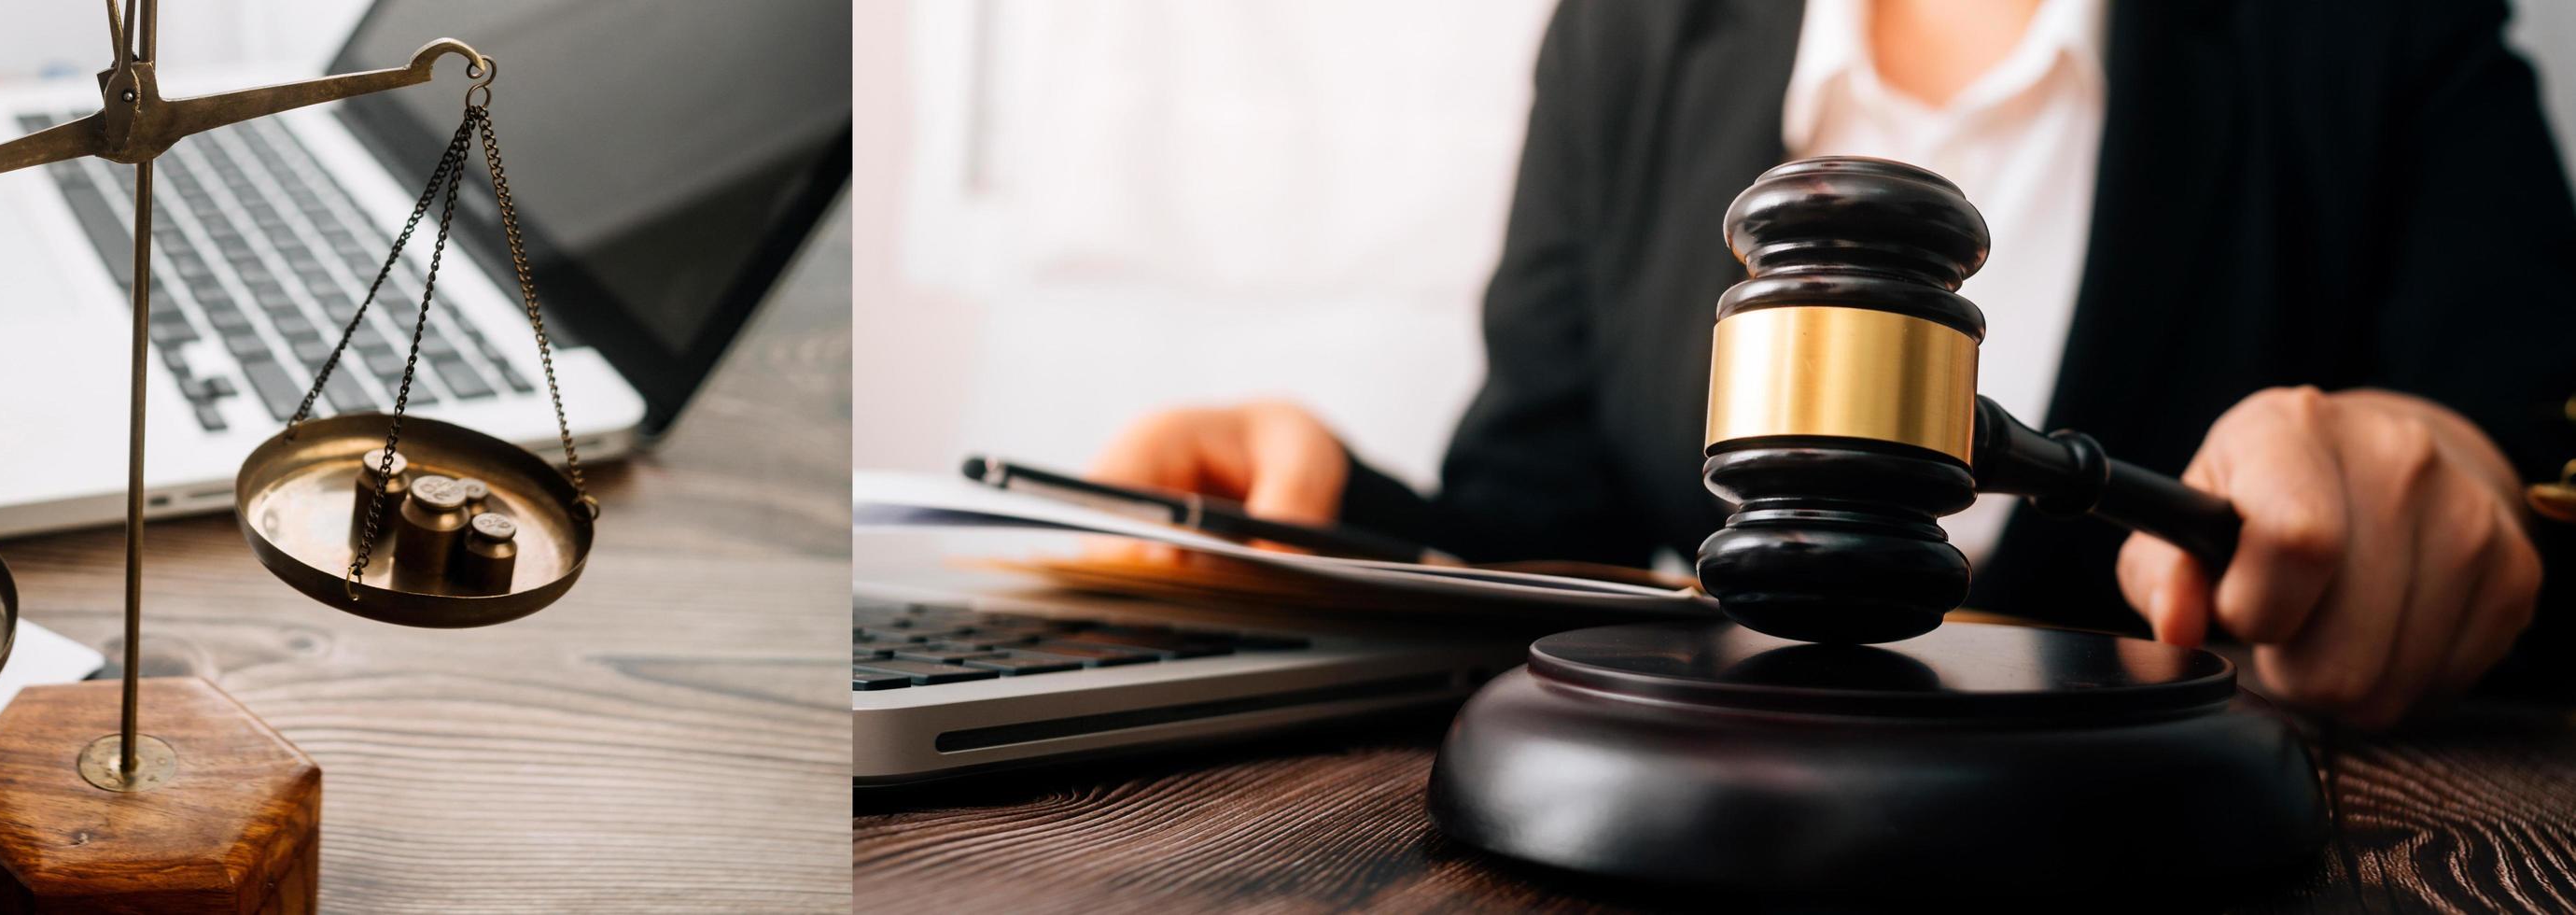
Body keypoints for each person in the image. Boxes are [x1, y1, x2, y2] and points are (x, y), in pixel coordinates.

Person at [1090, 0, 2576, 728]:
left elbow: (2511, 481)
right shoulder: (1626, 34)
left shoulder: (2386, 35)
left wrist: (2457, 501)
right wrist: (1310, 499)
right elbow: (1544, 538)